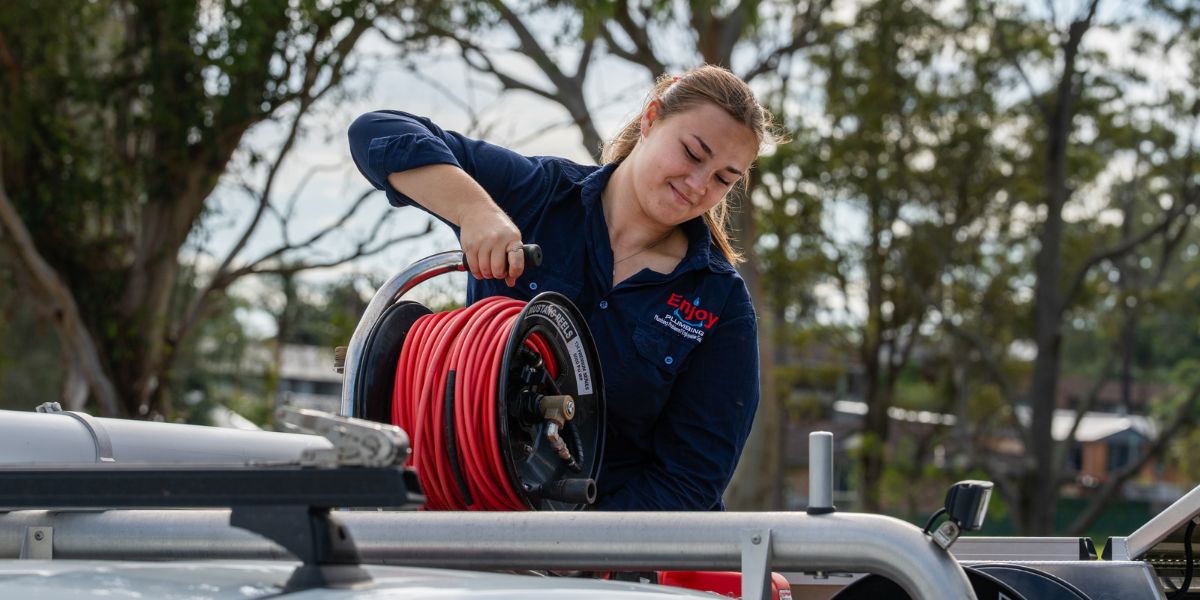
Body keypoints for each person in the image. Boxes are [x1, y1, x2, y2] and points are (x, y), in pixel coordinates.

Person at [348, 64, 777, 510]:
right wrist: (477, 212)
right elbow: (375, 133)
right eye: (692, 153)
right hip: (464, 518)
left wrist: (570, 553)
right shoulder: (537, 195)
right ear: (651, 119)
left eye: (723, 179)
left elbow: (691, 479)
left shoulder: (719, 302)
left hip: (609, 560)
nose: (697, 185)